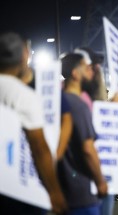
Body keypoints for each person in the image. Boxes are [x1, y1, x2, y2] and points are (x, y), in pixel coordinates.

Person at [0, 32, 67, 214]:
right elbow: (39, 147)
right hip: (18, 192)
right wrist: (54, 192)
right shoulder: (24, 96)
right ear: (25, 56)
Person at [58, 53, 108, 214]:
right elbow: (88, 149)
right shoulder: (78, 106)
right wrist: (100, 181)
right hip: (82, 192)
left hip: (66, 188)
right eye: (86, 68)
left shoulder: (61, 101)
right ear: (75, 73)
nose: (91, 71)